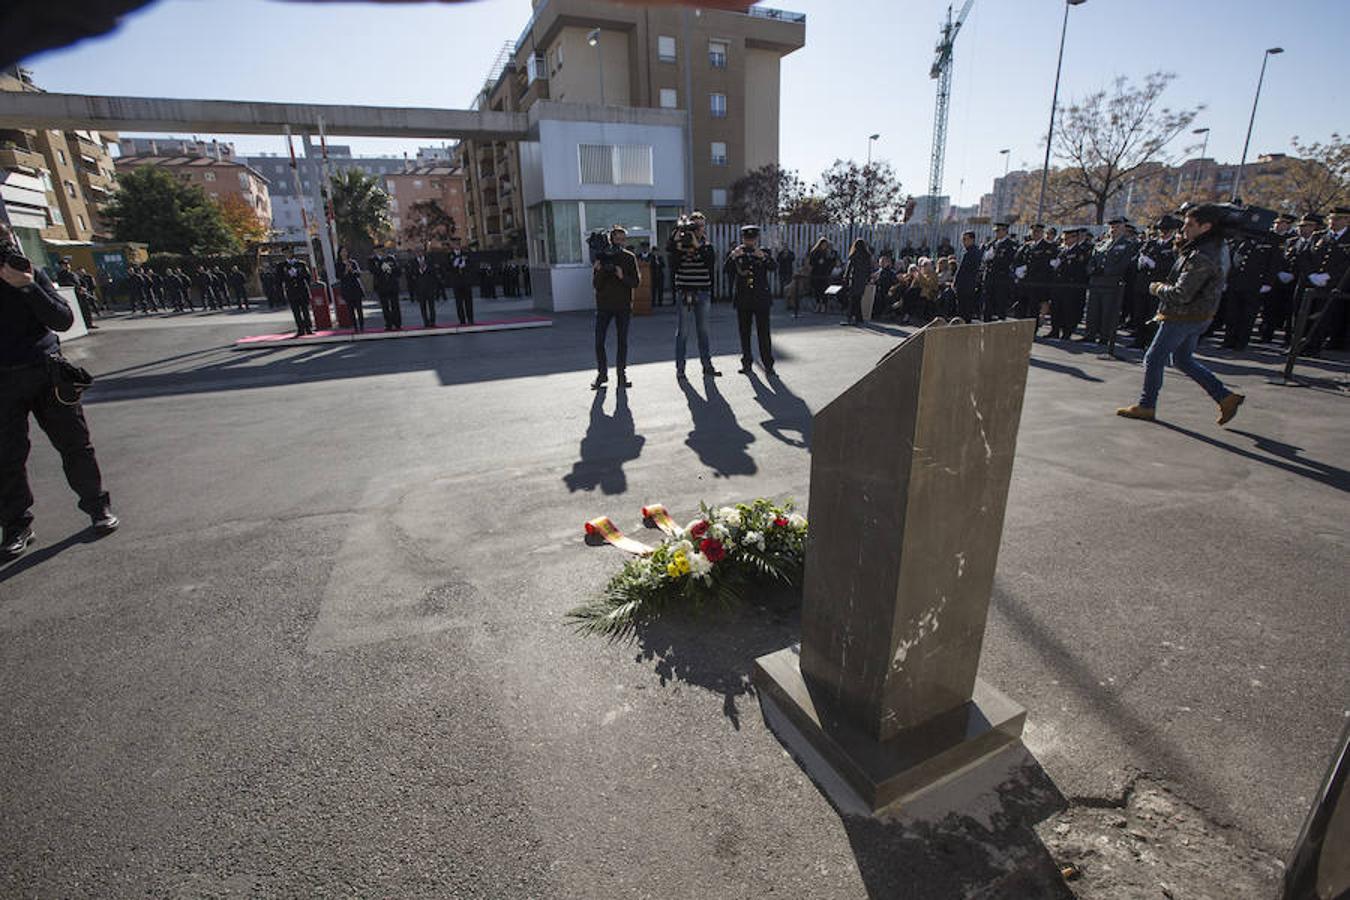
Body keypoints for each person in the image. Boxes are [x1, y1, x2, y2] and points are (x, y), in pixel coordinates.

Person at [1, 223, 118, 558]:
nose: (7, 252)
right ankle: (16, 526)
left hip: (46, 373)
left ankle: (98, 508)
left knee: (76, 446)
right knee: (7, 458)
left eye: (7, 243)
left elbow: (63, 319)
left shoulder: (31, 276)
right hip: (3, 381)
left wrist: (27, 287)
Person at [1117, 204, 1244, 425]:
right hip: (1199, 315)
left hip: (1182, 316)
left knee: (1154, 357)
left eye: (1190, 224)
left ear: (1206, 227)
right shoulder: (1213, 246)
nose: (1184, 228)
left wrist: (1157, 288)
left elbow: (1182, 293)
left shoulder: (1203, 254)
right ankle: (1225, 397)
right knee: (1183, 360)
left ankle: (1147, 405)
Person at [667, 211, 721, 381]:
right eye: (694, 225)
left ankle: (707, 366)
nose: (697, 229)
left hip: (703, 291)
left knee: (703, 331)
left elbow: (710, 264)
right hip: (684, 291)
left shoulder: (707, 245)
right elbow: (672, 264)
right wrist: (677, 241)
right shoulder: (680, 246)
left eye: (700, 226)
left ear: (704, 227)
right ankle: (680, 369)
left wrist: (697, 246)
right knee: (682, 332)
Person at [591, 226, 640, 390]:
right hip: (604, 305)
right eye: (616, 239)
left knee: (622, 342)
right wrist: (599, 271)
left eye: (622, 239)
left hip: (623, 306)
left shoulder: (629, 257)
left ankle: (621, 375)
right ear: (611, 240)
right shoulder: (602, 257)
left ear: (625, 241)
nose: (619, 242)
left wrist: (621, 276)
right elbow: (596, 285)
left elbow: (636, 282)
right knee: (599, 341)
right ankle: (602, 374)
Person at [725, 225, 776, 375]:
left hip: (761, 299)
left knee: (763, 333)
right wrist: (733, 256)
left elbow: (774, 266)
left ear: (757, 239)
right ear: (743, 238)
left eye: (752, 239)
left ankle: (768, 365)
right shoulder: (737, 253)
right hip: (743, 299)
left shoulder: (764, 252)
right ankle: (746, 363)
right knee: (744, 333)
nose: (750, 242)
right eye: (747, 239)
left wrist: (764, 257)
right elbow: (726, 270)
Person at [1083, 217, 1139, 350]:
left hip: (1111, 283)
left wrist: (1106, 271)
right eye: (1112, 227)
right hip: (1096, 282)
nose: (1113, 230)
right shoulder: (1102, 243)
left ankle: (1105, 336)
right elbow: (1092, 260)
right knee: (1093, 310)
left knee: (1108, 311)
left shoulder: (1128, 245)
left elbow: (1124, 264)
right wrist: (1092, 270)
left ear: (1123, 228)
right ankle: (1090, 334)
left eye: (1117, 227)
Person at [1300, 206, 1349, 355]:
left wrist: (1329, 276)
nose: (1332, 222)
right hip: (1312, 282)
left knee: (1323, 317)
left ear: (1347, 220)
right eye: (1331, 219)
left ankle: (1313, 347)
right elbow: (1304, 256)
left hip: (1333, 285)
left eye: (1337, 219)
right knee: (1302, 314)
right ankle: (1297, 344)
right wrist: (1311, 275)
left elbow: (1346, 264)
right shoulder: (1318, 236)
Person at [1130, 215, 1181, 348]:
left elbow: (1174, 266)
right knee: (1139, 313)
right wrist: (1141, 262)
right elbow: (1138, 257)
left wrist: (1155, 265)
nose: (1163, 232)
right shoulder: (1151, 243)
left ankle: (1151, 341)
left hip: (1159, 284)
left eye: (1167, 229)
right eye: (1161, 229)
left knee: (1153, 314)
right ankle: (1139, 340)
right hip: (1143, 284)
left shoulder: (1174, 246)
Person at [1048, 227, 1092, 339]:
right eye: (1065, 237)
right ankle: (1055, 330)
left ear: (1075, 238)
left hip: (1070, 286)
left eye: (1068, 237)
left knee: (1068, 310)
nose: (1065, 239)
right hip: (1058, 285)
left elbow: (1078, 270)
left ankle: (1067, 332)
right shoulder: (1062, 250)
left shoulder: (1080, 251)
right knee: (1056, 309)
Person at [978, 222, 1017, 321]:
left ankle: (1001, 323)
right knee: (987, 301)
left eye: (999, 230)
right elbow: (984, 259)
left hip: (1001, 277)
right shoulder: (992, 243)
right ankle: (985, 321)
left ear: (1005, 231)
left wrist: (994, 258)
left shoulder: (1010, 245)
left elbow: (1008, 260)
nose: (997, 233)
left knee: (1000, 302)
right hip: (989, 276)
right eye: (995, 231)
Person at [278, 254, 314, 336]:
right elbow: (279, 279)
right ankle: (300, 329)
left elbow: (308, 276)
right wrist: (287, 275)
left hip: (302, 289)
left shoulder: (301, 264)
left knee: (305, 310)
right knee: (296, 311)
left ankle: (308, 328)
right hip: (291, 290)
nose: (288, 254)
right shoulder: (281, 266)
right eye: (286, 252)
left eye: (290, 252)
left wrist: (298, 274)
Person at [840, 239, 872, 326]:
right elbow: (869, 269)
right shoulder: (867, 256)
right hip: (862, 280)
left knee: (852, 299)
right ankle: (858, 318)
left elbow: (849, 268)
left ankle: (851, 317)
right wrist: (868, 279)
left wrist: (845, 278)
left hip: (854, 279)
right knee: (858, 299)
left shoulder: (854, 255)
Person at [369, 248, 402, 330]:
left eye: (382, 250)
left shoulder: (391, 258)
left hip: (392, 285)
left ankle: (397, 323)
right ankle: (388, 324)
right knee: (385, 306)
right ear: (375, 251)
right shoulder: (373, 260)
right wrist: (381, 267)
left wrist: (390, 269)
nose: (381, 252)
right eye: (378, 250)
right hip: (381, 286)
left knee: (395, 305)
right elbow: (373, 271)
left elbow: (398, 271)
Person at [954, 230, 982, 321]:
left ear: (972, 240)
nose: (963, 242)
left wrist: (956, 281)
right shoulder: (968, 251)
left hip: (967, 284)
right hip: (965, 284)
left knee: (965, 309)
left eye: (965, 239)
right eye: (963, 239)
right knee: (962, 308)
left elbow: (963, 270)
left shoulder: (973, 252)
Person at [446, 237, 474, 325]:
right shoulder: (449, 256)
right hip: (456, 281)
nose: (457, 245)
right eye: (455, 244)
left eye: (458, 243)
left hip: (466, 281)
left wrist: (465, 266)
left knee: (468, 301)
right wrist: (454, 265)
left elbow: (471, 265)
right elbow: (447, 268)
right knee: (459, 302)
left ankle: (470, 319)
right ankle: (462, 320)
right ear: (452, 245)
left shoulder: (466, 254)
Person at [410, 252, 440, 327]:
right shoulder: (413, 262)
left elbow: (433, 271)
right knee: (422, 306)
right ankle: (425, 322)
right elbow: (411, 273)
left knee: (431, 306)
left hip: (429, 286)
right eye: (417, 250)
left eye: (420, 250)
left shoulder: (429, 260)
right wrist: (419, 269)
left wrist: (426, 267)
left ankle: (432, 322)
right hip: (419, 287)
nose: (419, 252)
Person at [807, 237, 836, 313]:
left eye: (825, 245)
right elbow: (811, 262)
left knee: (824, 290)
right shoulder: (815, 252)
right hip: (816, 273)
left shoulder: (828, 253)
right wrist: (817, 262)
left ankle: (823, 305)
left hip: (825, 274)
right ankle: (818, 304)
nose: (824, 246)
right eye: (823, 245)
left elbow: (832, 263)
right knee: (817, 290)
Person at [338, 259, 366, 333]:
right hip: (347, 290)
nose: (344, 253)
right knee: (351, 310)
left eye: (345, 252)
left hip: (356, 288)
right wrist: (346, 271)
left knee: (359, 309)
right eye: (342, 252)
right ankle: (355, 327)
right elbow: (339, 276)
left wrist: (352, 270)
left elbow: (359, 274)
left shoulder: (353, 262)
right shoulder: (339, 264)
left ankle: (362, 326)